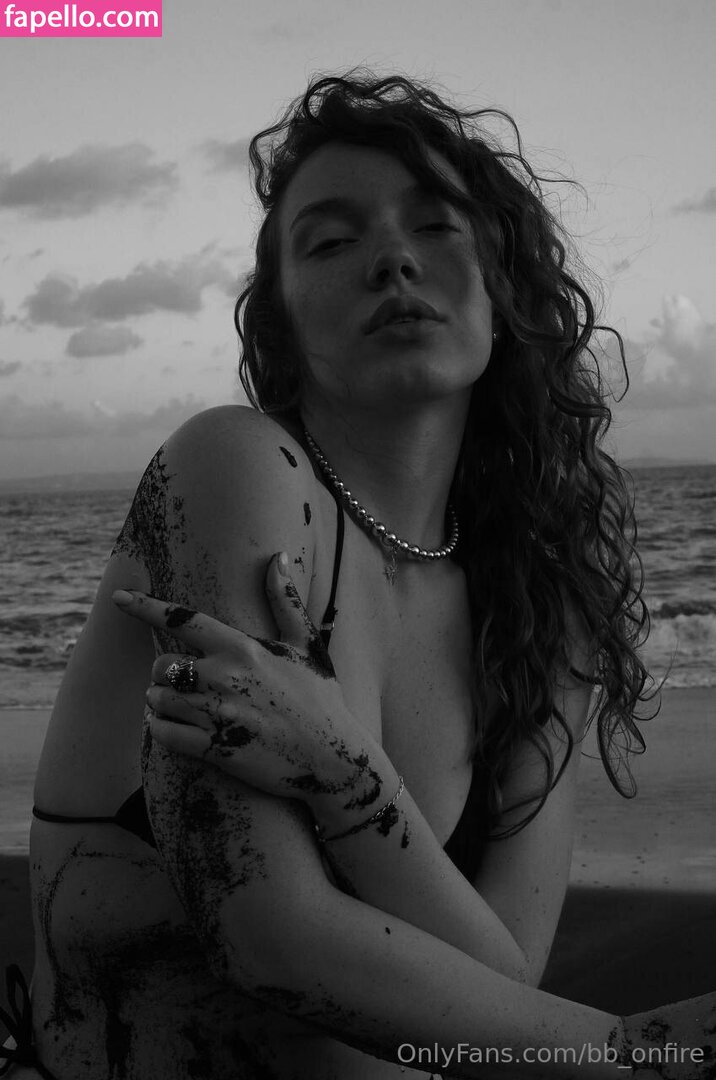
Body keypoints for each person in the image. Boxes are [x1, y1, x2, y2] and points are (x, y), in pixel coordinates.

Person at [3, 73, 714, 1079]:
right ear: (281, 326)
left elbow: (503, 985)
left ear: (501, 291)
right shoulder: (235, 469)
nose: (392, 259)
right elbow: (268, 937)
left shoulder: (538, 597)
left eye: (435, 227)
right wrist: (646, 1060)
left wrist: (343, 775)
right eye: (331, 242)